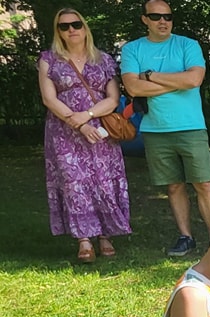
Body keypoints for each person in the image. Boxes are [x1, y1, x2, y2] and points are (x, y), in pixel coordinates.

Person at [120, 0, 210, 257]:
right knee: (173, 186)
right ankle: (186, 237)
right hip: (155, 129)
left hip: (191, 126)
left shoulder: (188, 45)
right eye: (155, 17)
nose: (163, 21)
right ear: (145, 20)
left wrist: (151, 76)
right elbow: (133, 88)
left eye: (167, 16)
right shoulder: (132, 49)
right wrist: (177, 82)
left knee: (203, 183)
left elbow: (194, 79)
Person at [38, 8, 130, 263]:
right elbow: (49, 98)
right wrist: (77, 123)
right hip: (64, 131)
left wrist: (88, 116)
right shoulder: (49, 59)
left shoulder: (103, 60)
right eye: (64, 26)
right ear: (58, 31)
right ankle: (84, 239)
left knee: (103, 179)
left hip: (100, 128)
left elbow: (113, 98)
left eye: (76, 24)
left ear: (84, 27)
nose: (71, 30)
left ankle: (105, 234)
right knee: (74, 181)